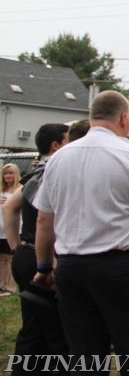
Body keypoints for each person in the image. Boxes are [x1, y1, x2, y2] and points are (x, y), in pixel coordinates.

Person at [32, 91, 129, 374]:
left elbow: (44, 220)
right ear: (124, 118)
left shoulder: (58, 159)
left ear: (91, 117)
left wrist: (43, 266)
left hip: (71, 267)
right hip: (121, 268)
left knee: (84, 355)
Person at [2, 123, 69, 375]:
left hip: (26, 252)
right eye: (67, 140)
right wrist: (47, 259)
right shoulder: (52, 171)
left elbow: (9, 208)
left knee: (32, 322)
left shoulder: (34, 172)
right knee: (54, 329)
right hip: (44, 257)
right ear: (56, 145)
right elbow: (46, 219)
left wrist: (16, 246)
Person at [1, 163, 23, 295]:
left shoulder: (20, 189)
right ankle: (2, 284)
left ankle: (13, 285)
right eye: (5, 173)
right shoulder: (1, 190)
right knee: (2, 258)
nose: (8, 176)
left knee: (12, 257)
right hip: (0, 230)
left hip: (15, 229)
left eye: (10, 173)